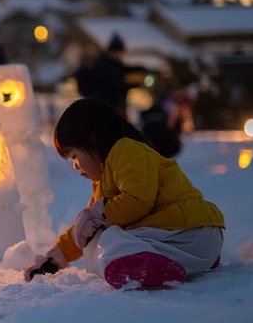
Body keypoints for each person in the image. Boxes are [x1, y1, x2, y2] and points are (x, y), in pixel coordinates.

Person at [24, 99, 224, 289]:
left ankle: (151, 270)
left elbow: (138, 200)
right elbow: (88, 227)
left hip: (191, 230)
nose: (75, 166)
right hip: (191, 242)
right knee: (101, 240)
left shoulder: (126, 150)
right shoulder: (104, 181)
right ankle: (188, 262)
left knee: (111, 240)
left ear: (92, 140)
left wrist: (98, 215)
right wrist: (57, 256)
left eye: (75, 156)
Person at [72, 33, 140, 118]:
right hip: (106, 110)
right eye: (117, 52)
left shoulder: (114, 67)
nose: (119, 56)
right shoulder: (106, 68)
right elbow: (114, 85)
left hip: (109, 109)